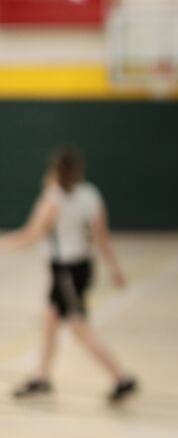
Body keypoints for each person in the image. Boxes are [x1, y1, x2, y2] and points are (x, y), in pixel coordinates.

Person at [0, 148, 138, 404]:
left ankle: (122, 377)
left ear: (55, 172)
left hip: (65, 271)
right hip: (83, 266)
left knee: (78, 327)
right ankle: (41, 377)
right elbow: (101, 237)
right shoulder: (90, 194)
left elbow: (31, 234)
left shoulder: (53, 199)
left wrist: (4, 245)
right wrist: (115, 269)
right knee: (51, 320)